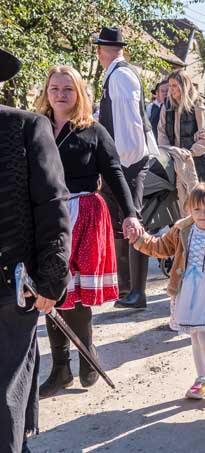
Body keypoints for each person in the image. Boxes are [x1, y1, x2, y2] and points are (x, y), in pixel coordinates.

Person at [35, 65, 141, 397]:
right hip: (46, 216)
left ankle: (87, 353)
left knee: (75, 292)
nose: (61, 94)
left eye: (68, 88)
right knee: (51, 289)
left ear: (79, 92)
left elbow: (114, 173)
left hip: (84, 214)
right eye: (55, 88)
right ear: (46, 91)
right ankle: (60, 368)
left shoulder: (93, 130)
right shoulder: (36, 126)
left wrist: (130, 214)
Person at [0, 48, 71, 453]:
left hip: (12, 285)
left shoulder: (26, 126)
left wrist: (52, 277)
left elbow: (52, 204)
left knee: (6, 389)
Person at [128, 183, 205, 400]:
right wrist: (139, 239)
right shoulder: (181, 230)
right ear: (189, 209)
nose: (203, 215)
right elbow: (160, 247)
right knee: (195, 338)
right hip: (187, 293)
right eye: (197, 209)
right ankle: (201, 379)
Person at [95, 26, 157, 310]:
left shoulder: (120, 77)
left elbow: (130, 127)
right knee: (121, 223)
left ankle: (137, 292)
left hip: (127, 161)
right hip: (122, 161)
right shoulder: (118, 74)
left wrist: (120, 165)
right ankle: (126, 287)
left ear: (100, 51)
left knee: (133, 219)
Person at [157, 69, 205, 183]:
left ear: (184, 86)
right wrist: (168, 152)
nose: (171, 89)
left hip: (195, 163)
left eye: (174, 85)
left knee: (195, 194)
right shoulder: (166, 106)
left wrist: (190, 153)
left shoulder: (198, 105)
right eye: (170, 86)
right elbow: (161, 131)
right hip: (172, 163)